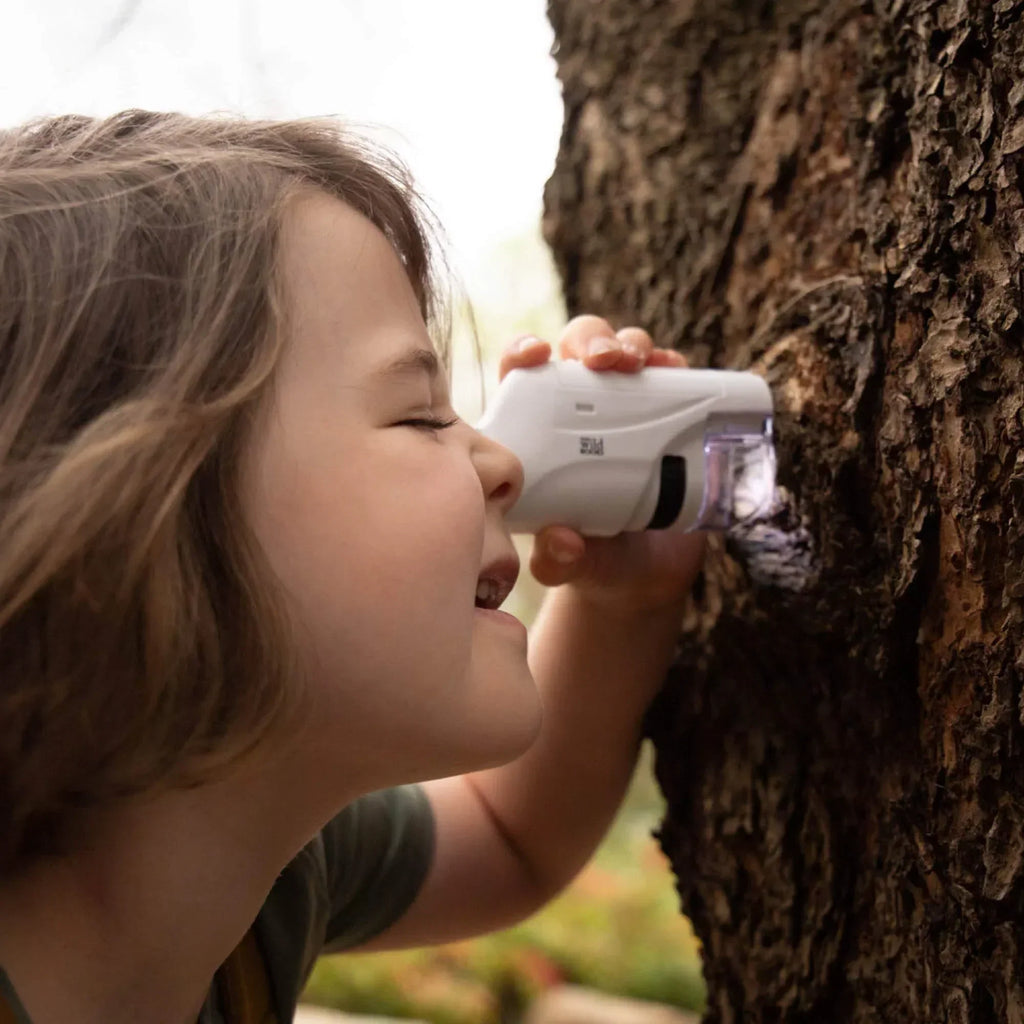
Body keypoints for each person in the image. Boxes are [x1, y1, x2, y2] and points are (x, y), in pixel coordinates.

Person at [0, 111, 705, 1024]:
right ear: (135, 517)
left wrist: (622, 606)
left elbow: (508, 836)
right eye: (421, 415)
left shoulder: (265, 867)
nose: (503, 465)